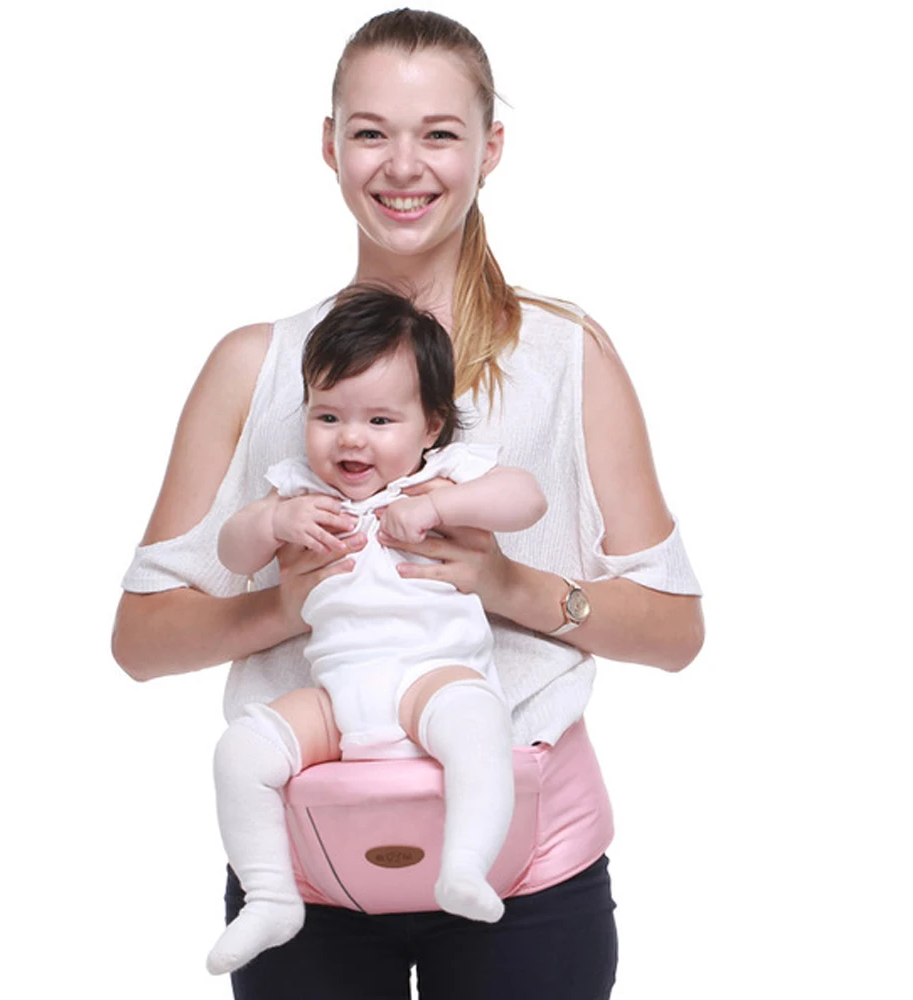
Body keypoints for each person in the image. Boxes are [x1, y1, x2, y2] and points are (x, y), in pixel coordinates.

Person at [113, 8, 704, 998]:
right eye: (370, 131)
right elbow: (140, 641)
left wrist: (505, 584)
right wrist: (289, 605)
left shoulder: (568, 357)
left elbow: (676, 633)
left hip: (530, 866)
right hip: (313, 861)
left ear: (490, 148)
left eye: (438, 133)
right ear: (328, 144)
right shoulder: (255, 366)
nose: (402, 166)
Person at [208, 285, 547, 974]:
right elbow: (232, 552)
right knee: (240, 752)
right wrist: (273, 521)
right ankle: (270, 897)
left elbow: (527, 498)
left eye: (381, 419)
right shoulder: (299, 490)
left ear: (430, 428)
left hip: (433, 678)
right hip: (336, 698)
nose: (351, 438)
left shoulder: (440, 477)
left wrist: (443, 508)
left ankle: (465, 866)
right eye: (328, 415)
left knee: (479, 726)